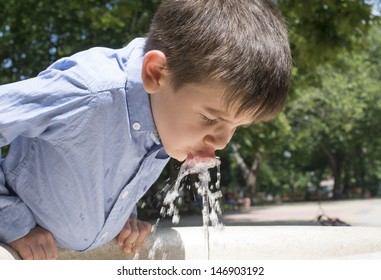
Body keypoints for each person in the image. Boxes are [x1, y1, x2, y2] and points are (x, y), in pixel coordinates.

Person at [0, 0, 291, 260]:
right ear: (155, 73)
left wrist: (120, 218)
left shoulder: (166, 114)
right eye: (211, 118)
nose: (223, 141)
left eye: (237, 126)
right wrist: (13, 222)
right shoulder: (87, 93)